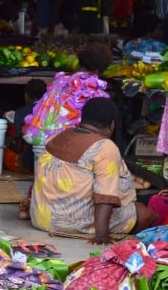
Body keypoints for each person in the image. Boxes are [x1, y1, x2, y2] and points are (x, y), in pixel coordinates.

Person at [30, 97, 156, 244]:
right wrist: (101, 234)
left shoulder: (58, 137)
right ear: (112, 125)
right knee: (145, 213)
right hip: (72, 224)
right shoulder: (104, 147)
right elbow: (105, 196)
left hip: (42, 218)